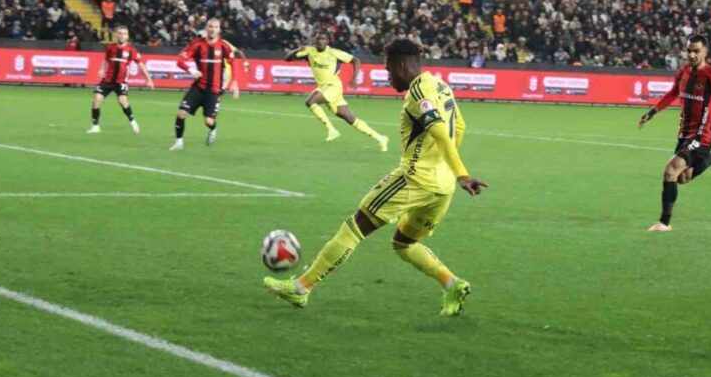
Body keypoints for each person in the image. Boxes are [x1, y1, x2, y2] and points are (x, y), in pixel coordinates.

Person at [264, 38, 488, 316]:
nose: (387, 74)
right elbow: (460, 127)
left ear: (402, 63)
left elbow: (440, 131)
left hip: (415, 179)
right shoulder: (440, 85)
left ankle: (300, 288)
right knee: (404, 243)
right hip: (442, 187)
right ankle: (452, 284)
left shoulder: (419, 92)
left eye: (388, 68)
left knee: (354, 227)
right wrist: (449, 169)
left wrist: (462, 174)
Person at [638, 34, 711, 232]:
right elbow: (673, 93)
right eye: (689, 50)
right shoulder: (682, 72)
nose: (691, 54)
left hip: (702, 135)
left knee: (670, 171)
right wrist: (652, 112)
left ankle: (664, 223)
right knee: (683, 178)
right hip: (685, 134)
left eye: (696, 51)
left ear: (705, 52)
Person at [283, 30, 388, 150]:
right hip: (324, 87)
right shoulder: (309, 51)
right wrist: (297, 50)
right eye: (319, 39)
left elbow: (356, 60)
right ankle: (380, 138)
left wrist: (354, 78)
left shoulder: (334, 53)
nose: (321, 41)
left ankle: (332, 130)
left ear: (328, 41)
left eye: (323, 39)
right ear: (315, 40)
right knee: (350, 119)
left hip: (333, 86)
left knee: (310, 101)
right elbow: (287, 58)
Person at [170, 18, 239, 150]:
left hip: (213, 90)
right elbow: (180, 60)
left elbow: (233, 63)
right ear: (206, 28)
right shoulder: (197, 44)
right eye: (210, 26)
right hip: (198, 86)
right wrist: (190, 70)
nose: (212, 29)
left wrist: (234, 82)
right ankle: (179, 142)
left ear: (219, 30)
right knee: (181, 113)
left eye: (215, 27)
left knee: (209, 121)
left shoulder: (224, 46)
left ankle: (213, 129)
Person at [87, 25, 153, 134]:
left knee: (122, 101)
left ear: (127, 36)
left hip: (121, 81)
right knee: (96, 98)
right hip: (108, 79)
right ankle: (95, 126)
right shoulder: (110, 47)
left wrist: (149, 79)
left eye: (124, 34)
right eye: (120, 33)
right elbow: (106, 60)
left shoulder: (131, 50)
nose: (122, 36)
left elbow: (140, 65)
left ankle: (132, 121)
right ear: (116, 35)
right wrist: (101, 70)